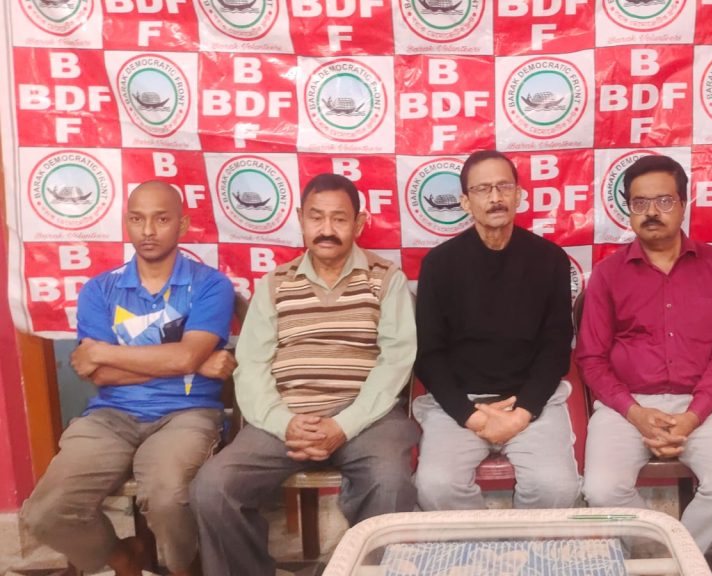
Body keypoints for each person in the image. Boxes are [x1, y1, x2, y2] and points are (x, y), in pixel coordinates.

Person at [190, 174, 419, 576]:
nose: (327, 229)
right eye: (316, 217)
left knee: (389, 481)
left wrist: (343, 425)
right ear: (300, 219)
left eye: (339, 219)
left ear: (358, 223)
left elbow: (396, 361)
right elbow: (252, 365)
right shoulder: (275, 284)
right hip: (286, 416)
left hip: (367, 417)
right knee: (213, 488)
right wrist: (284, 423)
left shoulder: (386, 278)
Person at [20, 181, 236, 576]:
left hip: (186, 415)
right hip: (111, 416)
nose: (148, 230)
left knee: (167, 497)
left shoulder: (210, 284)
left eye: (161, 219)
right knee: (45, 511)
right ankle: (125, 559)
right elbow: (98, 373)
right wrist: (189, 363)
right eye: (137, 219)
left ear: (182, 224)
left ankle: (186, 570)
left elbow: (182, 355)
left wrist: (106, 351)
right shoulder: (99, 289)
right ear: (126, 223)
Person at [576, 155, 712, 553]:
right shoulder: (608, 273)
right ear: (628, 209)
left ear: (683, 203)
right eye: (639, 203)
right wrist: (636, 413)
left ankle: (664, 563)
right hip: (627, 406)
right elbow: (591, 359)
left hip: (703, 405)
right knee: (601, 489)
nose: (652, 212)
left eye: (664, 201)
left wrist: (693, 416)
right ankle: (671, 561)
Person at [413, 149, 579, 511]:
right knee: (436, 487)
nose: (495, 197)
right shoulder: (439, 264)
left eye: (504, 187)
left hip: (531, 402)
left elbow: (555, 348)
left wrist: (521, 413)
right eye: (483, 189)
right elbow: (429, 355)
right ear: (465, 201)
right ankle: (482, 547)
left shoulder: (550, 260)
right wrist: (470, 415)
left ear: (519, 195)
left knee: (556, 488)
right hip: (459, 404)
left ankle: (526, 548)